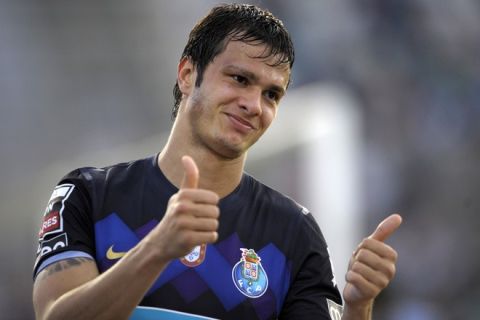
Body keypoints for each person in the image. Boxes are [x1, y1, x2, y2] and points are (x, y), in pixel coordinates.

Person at [32, 4, 402, 320]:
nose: (254, 104)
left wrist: (358, 308)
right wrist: (158, 248)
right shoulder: (88, 194)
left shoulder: (295, 233)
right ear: (188, 74)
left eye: (271, 94)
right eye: (240, 79)